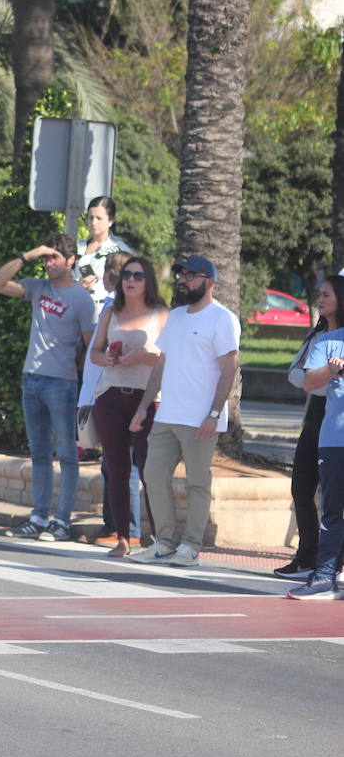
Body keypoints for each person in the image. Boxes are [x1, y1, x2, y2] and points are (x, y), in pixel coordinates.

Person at [127, 256, 240, 567]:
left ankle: (190, 546)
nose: (183, 280)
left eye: (192, 275)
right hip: (167, 416)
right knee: (152, 475)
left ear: (210, 282)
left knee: (197, 482)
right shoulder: (175, 317)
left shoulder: (222, 319)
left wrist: (214, 415)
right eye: (181, 274)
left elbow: (229, 370)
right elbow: (161, 364)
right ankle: (164, 542)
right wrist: (142, 408)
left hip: (201, 418)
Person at [0, 233, 96, 542]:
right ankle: (38, 517)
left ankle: (61, 521)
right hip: (31, 378)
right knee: (38, 453)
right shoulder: (37, 287)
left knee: (66, 454)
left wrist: (73, 371)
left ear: (71, 261)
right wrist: (28, 255)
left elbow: (91, 348)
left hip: (61, 383)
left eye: (54, 258)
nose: (48, 263)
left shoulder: (81, 299)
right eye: (46, 258)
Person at [88, 255, 167, 557]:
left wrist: (143, 357)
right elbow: (94, 352)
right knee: (116, 469)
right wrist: (105, 357)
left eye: (138, 275)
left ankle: (161, 538)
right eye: (126, 275)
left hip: (146, 398)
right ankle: (123, 537)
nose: (131, 280)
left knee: (150, 470)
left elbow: (168, 358)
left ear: (148, 280)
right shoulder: (111, 312)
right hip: (110, 395)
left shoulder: (160, 313)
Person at [273, 275, 344, 580]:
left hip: (333, 414)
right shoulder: (319, 337)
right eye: (319, 294)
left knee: (334, 501)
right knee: (302, 487)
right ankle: (307, 557)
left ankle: (334, 564)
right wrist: (326, 371)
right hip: (318, 415)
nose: (320, 299)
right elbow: (300, 377)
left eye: (326, 294)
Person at [76, 196, 132, 304]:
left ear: (111, 220)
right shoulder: (76, 247)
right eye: (90, 217)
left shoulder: (121, 250)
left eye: (99, 218)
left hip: (105, 310)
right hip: (75, 308)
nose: (93, 222)